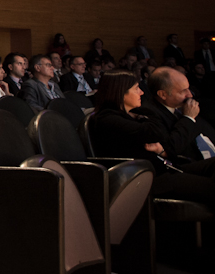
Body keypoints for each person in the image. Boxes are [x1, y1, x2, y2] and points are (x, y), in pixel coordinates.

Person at [90, 69, 215, 212]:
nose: (141, 93)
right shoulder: (107, 119)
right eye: (136, 89)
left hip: (166, 168)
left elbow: (161, 141)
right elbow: (156, 133)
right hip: (151, 179)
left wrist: (161, 150)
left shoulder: (127, 116)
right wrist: (146, 111)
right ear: (120, 92)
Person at [137, 67, 215, 163]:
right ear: (163, 94)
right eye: (183, 91)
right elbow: (171, 148)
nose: (190, 95)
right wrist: (188, 118)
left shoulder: (180, 105)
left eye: (188, 88)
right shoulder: (149, 113)